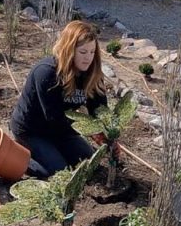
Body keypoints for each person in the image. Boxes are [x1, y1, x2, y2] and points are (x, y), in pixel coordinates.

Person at [10, 20, 108, 179]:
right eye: (83, 52)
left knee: (88, 164)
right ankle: (19, 154)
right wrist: (89, 131)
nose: (88, 58)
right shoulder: (47, 73)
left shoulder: (92, 74)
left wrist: (107, 134)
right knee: (59, 174)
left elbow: (100, 109)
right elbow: (54, 119)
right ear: (69, 50)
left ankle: (52, 152)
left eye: (92, 52)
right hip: (32, 130)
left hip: (62, 129)